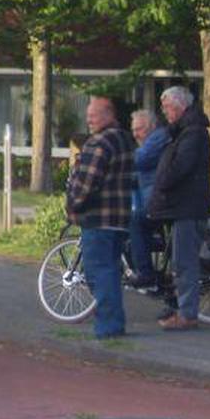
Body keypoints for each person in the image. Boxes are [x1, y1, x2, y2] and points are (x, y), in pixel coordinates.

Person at [64, 96, 136, 339]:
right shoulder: (125, 139)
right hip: (120, 217)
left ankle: (109, 326)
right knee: (111, 271)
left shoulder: (99, 143)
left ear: (108, 114)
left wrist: (71, 205)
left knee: (99, 273)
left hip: (98, 217)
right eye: (88, 116)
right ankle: (112, 322)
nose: (89, 120)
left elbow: (86, 183)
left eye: (93, 116)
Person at [147, 85, 210, 331]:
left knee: (184, 262)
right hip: (183, 205)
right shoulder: (184, 131)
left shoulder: (192, 133)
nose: (164, 112)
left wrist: (163, 181)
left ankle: (187, 314)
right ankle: (182, 308)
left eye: (167, 107)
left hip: (188, 206)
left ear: (180, 106)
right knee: (179, 260)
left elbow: (182, 167)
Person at [126, 108, 168, 290]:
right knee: (132, 225)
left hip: (160, 202)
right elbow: (139, 174)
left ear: (151, 126)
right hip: (154, 200)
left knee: (135, 222)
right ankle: (144, 273)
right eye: (133, 130)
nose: (135, 134)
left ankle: (145, 274)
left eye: (139, 129)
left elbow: (139, 161)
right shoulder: (150, 141)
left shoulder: (157, 138)